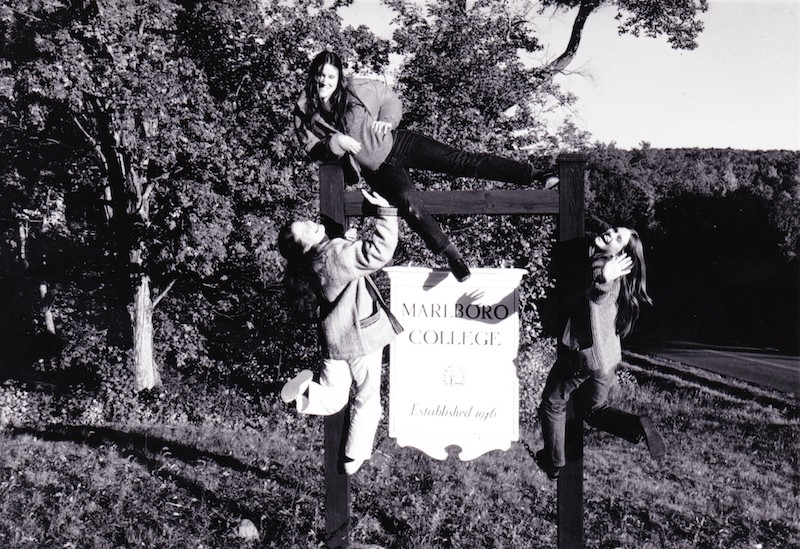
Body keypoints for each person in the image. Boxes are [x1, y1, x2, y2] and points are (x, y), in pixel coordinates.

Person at [293, 50, 558, 283]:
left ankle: (537, 174)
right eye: (320, 75)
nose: (324, 81)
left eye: (331, 76)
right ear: (313, 75)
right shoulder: (305, 112)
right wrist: (335, 141)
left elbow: (389, 98)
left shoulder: (354, 89)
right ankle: (451, 254)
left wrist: (388, 119)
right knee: (409, 203)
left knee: (461, 161)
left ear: (339, 77)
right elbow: (311, 148)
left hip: (400, 143)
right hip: (378, 171)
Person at [278, 189, 402, 475]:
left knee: (334, 399)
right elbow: (378, 252)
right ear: (305, 246)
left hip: (333, 340)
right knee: (368, 397)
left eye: (305, 223)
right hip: (358, 338)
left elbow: (340, 265)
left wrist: (344, 242)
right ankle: (353, 457)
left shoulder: (312, 264)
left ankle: (304, 390)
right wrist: (385, 213)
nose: (310, 225)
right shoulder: (335, 255)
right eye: (305, 231)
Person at [535, 227, 665, 480]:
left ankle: (553, 462)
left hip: (582, 355)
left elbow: (596, 293)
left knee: (553, 402)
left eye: (618, 239)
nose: (611, 234)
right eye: (614, 230)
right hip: (606, 359)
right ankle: (636, 425)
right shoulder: (616, 269)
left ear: (620, 254)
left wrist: (604, 278)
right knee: (594, 410)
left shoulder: (602, 265)